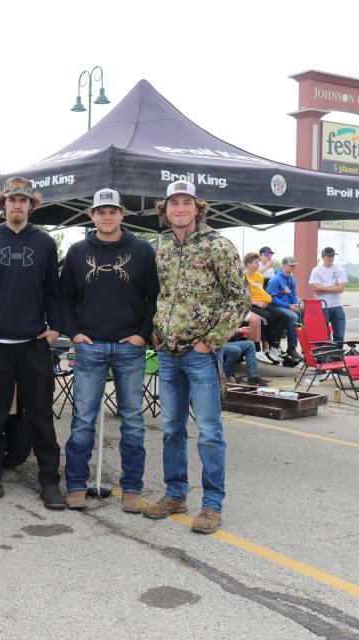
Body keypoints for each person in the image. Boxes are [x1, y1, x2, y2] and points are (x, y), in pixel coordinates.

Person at [142, 180, 249, 534]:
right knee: (172, 427)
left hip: (200, 354)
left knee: (209, 432)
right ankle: (175, 493)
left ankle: (211, 505)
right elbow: (161, 296)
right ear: (165, 210)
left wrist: (211, 342)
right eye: (174, 203)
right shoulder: (164, 251)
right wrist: (156, 334)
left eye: (187, 202)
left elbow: (239, 298)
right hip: (168, 353)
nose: (180, 209)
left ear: (197, 208)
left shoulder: (219, 246)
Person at [0, 176, 64, 510]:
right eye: (11, 201)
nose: (17, 206)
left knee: (40, 418)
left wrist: (55, 329)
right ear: (3, 205)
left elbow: (54, 290)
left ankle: (50, 482)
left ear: (31, 205)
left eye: (23, 201)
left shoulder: (45, 244)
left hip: (34, 344)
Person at [59, 188, 158, 512]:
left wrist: (143, 335)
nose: (106, 216)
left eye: (112, 211)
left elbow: (154, 298)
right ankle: (76, 484)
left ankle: (132, 489)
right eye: (100, 211)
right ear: (92, 216)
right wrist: (74, 334)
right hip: (89, 348)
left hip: (129, 348)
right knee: (84, 419)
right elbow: (64, 299)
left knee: (132, 420)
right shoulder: (76, 252)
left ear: (121, 214)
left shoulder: (143, 251)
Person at [243, 252, 286, 365]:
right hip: (252, 305)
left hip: (265, 304)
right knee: (267, 317)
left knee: (282, 316)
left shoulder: (259, 276)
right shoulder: (243, 277)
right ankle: (264, 349)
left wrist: (265, 301)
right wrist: (256, 302)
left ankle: (274, 347)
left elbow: (260, 291)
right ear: (248, 264)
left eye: (258, 262)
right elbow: (243, 296)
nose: (258, 264)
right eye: (256, 262)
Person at [266, 257, 303, 365]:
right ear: (283, 265)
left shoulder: (291, 279)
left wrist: (297, 304)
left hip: (286, 306)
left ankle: (307, 348)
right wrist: (289, 306)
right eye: (291, 265)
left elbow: (293, 295)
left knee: (304, 312)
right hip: (275, 306)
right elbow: (271, 299)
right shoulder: (275, 279)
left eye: (294, 265)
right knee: (294, 317)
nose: (293, 267)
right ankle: (291, 348)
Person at [309, 247, 348, 343]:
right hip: (322, 306)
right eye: (329, 256)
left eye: (333, 255)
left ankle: (338, 355)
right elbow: (315, 289)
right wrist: (332, 288)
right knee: (323, 335)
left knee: (339, 336)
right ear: (323, 257)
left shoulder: (340, 269)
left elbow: (340, 289)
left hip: (337, 306)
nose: (331, 258)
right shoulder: (316, 270)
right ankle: (325, 355)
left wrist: (322, 287)